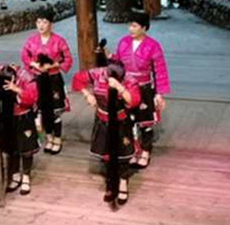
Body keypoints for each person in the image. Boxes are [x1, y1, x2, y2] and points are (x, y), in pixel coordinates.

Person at [103, 11, 170, 169]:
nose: (130, 29)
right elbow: (119, 62)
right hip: (127, 87)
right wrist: (109, 55)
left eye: (134, 26)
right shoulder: (124, 42)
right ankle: (132, 150)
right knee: (127, 121)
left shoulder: (153, 46)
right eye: (129, 25)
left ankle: (146, 151)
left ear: (144, 28)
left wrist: (159, 94)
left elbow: (160, 71)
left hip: (145, 88)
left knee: (145, 122)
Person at [72, 58, 141, 205]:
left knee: (122, 155)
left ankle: (123, 182)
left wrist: (120, 88)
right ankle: (110, 183)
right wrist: (87, 94)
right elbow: (77, 79)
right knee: (106, 154)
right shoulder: (97, 74)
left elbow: (134, 100)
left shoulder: (129, 79)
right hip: (102, 118)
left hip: (120, 121)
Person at [0, 63, 39, 196]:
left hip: (23, 116)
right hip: (7, 116)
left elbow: (32, 97)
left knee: (26, 148)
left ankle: (26, 176)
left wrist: (17, 89)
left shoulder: (26, 76)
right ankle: (15, 173)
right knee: (11, 148)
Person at [20, 11, 73, 154]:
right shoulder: (31, 40)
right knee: (42, 110)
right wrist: (33, 64)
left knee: (55, 111)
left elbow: (68, 59)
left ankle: (57, 139)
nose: (41, 25)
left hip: (53, 79)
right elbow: (24, 55)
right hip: (37, 78)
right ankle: (48, 137)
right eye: (38, 22)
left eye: (44, 22)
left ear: (51, 24)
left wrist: (54, 65)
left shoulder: (59, 41)